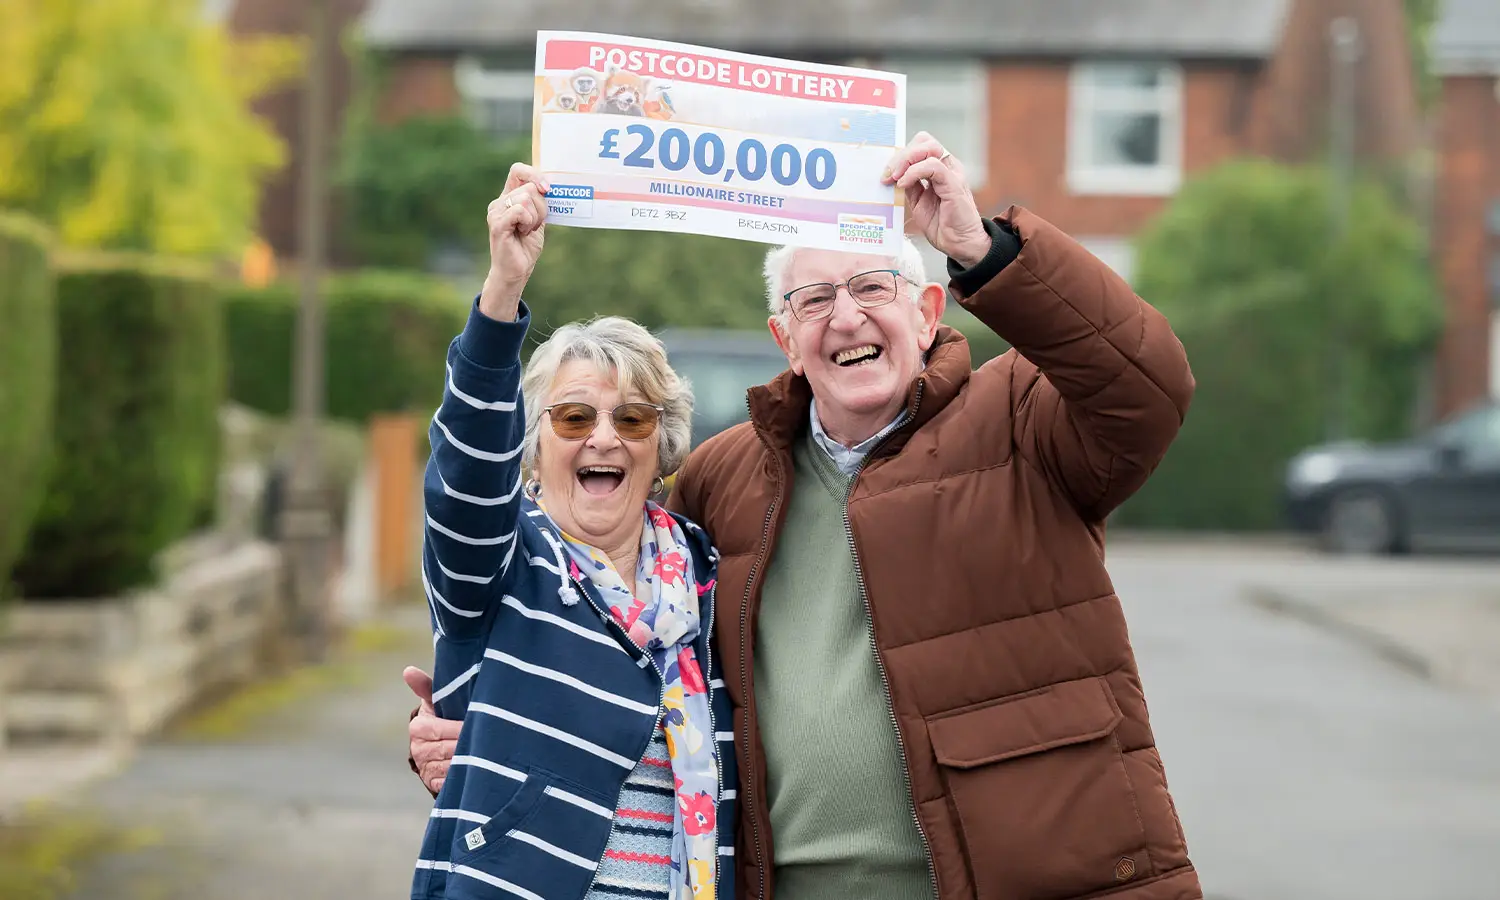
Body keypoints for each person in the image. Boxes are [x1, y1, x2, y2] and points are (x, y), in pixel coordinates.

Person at [409, 130, 1202, 900]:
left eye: (871, 288)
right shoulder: (724, 485)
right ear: (785, 339)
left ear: (928, 313)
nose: (846, 317)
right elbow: (583, 615)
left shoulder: (1020, 419)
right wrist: (478, 730)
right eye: (815, 299)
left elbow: (1147, 389)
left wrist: (981, 248)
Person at [404, 161, 736, 900]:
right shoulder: (501, 562)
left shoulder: (704, 576)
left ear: (662, 447)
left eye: (633, 419)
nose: (604, 438)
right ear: (533, 444)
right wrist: (503, 290)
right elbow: (464, 475)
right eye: (575, 416)